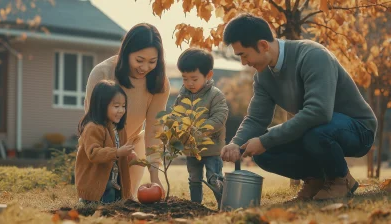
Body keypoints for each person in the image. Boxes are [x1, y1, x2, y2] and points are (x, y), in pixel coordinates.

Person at [220, 14, 377, 201]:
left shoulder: (313, 55)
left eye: (243, 55)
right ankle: (316, 179)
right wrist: (236, 143)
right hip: (317, 129)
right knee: (264, 153)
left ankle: (340, 180)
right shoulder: (262, 76)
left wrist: (266, 140)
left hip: (358, 129)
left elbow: (318, 112)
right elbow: (256, 118)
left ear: (263, 45)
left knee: (313, 132)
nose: (243, 63)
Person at [85, 23, 170, 198]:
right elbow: (92, 123)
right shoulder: (102, 73)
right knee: (100, 198)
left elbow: (155, 128)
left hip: (132, 145)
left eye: (152, 62)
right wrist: (113, 152)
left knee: (127, 198)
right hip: (101, 143)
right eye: (139, 60)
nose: (145, 67)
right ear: (126, 52)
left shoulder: (159, 82)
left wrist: (155, 175)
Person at [173, 48, 229, 208]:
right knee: (194, 179)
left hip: (212, 149)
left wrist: (200, 130)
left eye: (194, 78)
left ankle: (222, 204)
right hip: (192, 150)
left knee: (214, 177)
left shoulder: (215, 95)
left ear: (208, 75)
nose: (189, 83)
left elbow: (220, 117)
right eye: (185, 78)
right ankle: (195, 205)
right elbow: (176, 116)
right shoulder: (182, 96)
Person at [76, 80, 137, 203]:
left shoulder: (119, 128)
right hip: (97, 184)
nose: (121, 110)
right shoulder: (93, 127)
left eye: (123, 106)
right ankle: (87, 202)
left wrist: (129, 154)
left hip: (114, 180)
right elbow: (93, 153)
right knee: (105, 204)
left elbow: (121, 150)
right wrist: (118, 152)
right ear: (101, 105)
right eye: (116, 106)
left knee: (117, 204)